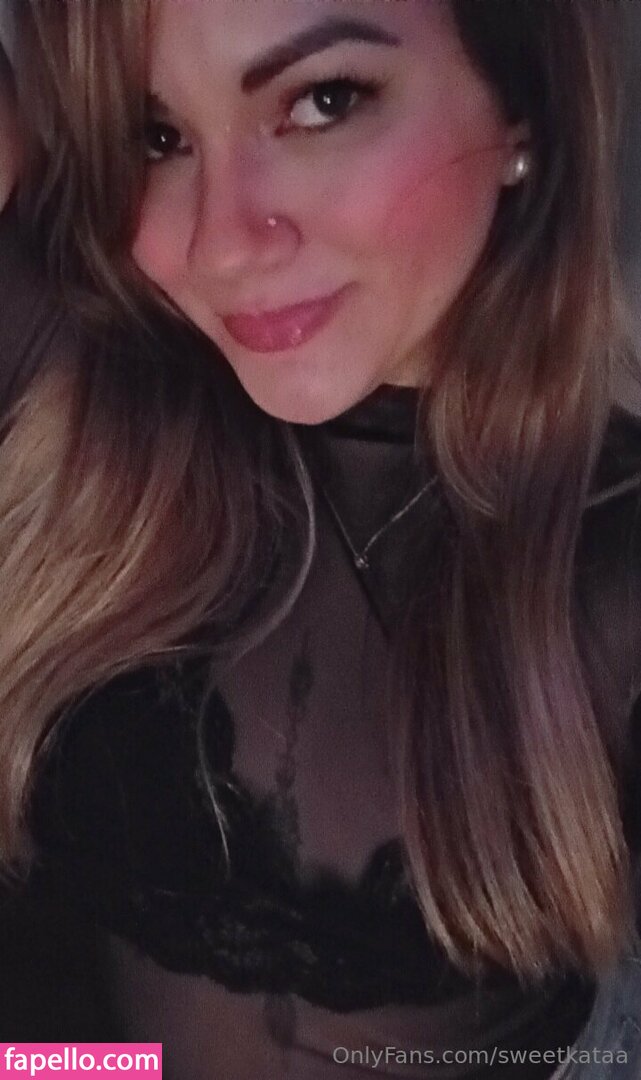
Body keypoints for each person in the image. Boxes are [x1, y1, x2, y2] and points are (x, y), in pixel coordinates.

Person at [1, 1, 641, 1077]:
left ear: (522, 107)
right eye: (158, 135)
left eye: (323, 101)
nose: (219, 242)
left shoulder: (613, 562)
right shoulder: (81, 387)